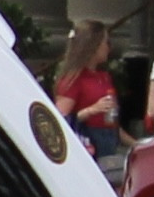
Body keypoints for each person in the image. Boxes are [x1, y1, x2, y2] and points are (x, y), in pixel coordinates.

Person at [52, 19, 124, 175]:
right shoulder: (73, 79)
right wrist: (92, 110)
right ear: (93, 45)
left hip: (109, 138)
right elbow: (61, 120)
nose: (108, 47)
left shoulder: (104, 77)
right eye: (106, 42)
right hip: (89, 141)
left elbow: (111, 120)